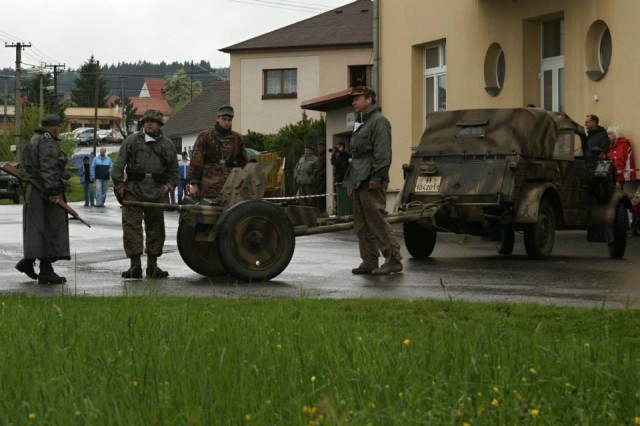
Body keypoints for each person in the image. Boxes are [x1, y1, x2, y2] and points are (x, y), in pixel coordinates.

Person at [112, 109, 178, 279]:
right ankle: (135, 266)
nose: (149, 124)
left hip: (157, 191)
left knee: (156, 227)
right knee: (131, 227)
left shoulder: (168, 144)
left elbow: (174, 171)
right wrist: (119, 185)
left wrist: (168, 186)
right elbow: (118, 164)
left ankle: (152, 266)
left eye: (153, 121)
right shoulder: (132, 140)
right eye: (146, 121)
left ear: (159, 124)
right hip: (133, 190)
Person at [343, 86, 402, 275]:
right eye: (353, 99)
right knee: (361, 223)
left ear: (369, 99)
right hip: (360, 177)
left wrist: (377, 177)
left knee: (376, 220)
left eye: (357, 98)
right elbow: (357, 156)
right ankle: (369, 261)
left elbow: (382, 152)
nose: (354, 102)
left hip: (371, 178)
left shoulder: (379, 121)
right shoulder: (361, 122)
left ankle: (393, 259)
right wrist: (352, 181)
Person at [16, 114, 70, 284]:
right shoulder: (47, 141)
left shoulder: (35, 139)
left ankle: (28, 261)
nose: (59, 130)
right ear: (54, 128)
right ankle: (46, 270)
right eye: (59, 127)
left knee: (38, 229)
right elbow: (48, 167)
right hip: (45, 192)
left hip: (36, 190)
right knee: (50, 230)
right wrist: (53, 190)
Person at [189, 105, 248, 198]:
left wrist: (244, 181)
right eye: (224, 119)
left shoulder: (237, 138)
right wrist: (194, 183)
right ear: (218, 118)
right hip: (209, 185)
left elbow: (243, 162)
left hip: (230, 185)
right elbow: (196, 161)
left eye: (229, 120)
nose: (226, 122)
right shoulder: (206, 136)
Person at [314, 142, 327, 211]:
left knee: (320, 194)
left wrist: (321, 174)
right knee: (318, 194)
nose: (318, 149)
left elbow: (324, 167)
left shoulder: (325, 155)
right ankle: (319, 209)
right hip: (318, 177)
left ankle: (321, 209)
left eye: (320, 147)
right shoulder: (320, 156)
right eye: (318, 147)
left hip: (322, 177)